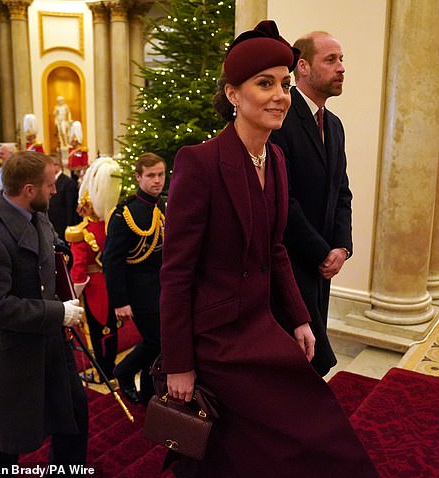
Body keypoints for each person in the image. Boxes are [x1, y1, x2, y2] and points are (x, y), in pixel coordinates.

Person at [160, 20, 377, 478]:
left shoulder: (274, 159)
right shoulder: (197, 164)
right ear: (234, 94)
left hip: (260, 325)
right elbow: (176, 275)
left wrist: (300, 318)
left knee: (319, 429)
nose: (279, 94)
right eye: (264, 84)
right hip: (214, 341)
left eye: (283, 82)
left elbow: (276, 249)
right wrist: (180, 366)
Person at [0, 151, 88, 470]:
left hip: (49, 343)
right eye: (50, 185)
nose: (55, 190)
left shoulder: (35, 211)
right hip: (13, 353)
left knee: (73, 416)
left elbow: (49, 245)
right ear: (29, 189)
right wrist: (58, 313)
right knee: (7, 441)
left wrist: (65, 260)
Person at [270, 31, 352, 377]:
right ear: (302, 66)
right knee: (295, 358)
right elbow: (282, 198)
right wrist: (321, 251)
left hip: (323, 264)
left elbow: (342, 192)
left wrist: (342, 246)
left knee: (310, 356)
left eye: (342, 59)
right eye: (331, 60)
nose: (341, 68)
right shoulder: (280, 121)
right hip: (291, 262)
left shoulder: (333, 125)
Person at [102, 153, 165, 405]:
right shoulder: (124, 214)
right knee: (156, 342)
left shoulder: (162, 204)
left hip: (161, 288)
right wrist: (119, 302)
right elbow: (111, 261)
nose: (157, 181)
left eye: (160, 174)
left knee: (160, 345)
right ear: (138, 177)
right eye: (151, 176)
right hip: (138, 291)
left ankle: (149, 393)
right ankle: (124, 371)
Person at [67, 157, 122, 383]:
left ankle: (101, 373)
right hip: (112, 284)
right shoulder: (113, 224)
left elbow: (78, 270)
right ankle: (110, 368)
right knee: (112, 329)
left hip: (92, 288)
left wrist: (72, 295)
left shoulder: (80, 232)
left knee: (95, 333)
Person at [47, 153, 80, 241]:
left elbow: (70, 208)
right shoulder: (47, 181)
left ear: (57, 166)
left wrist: (69, 227)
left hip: (62, 226)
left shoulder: (68, 183)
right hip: (51, 224)